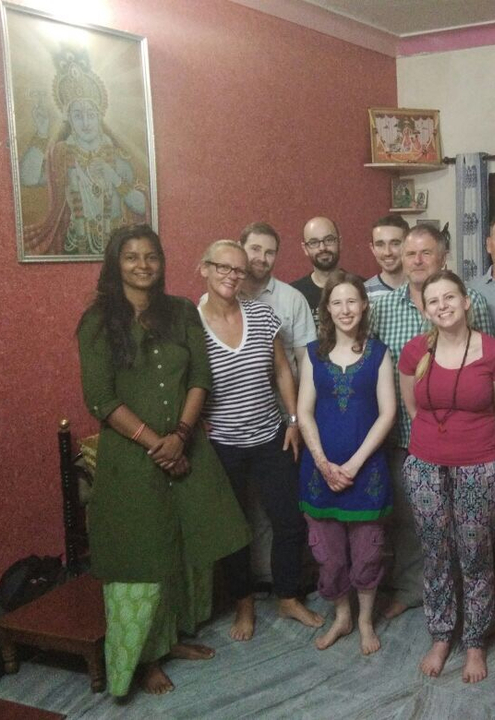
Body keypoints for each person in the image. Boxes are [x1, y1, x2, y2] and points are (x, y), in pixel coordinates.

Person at [76, 224, 249, 696]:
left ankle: (170, 640)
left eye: (150, 256)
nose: (142, 265)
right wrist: (158, 442)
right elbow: (101, 399)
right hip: (132, 462)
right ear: (116, 263)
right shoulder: (97, 321)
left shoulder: (180, 311)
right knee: (142, 556)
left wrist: (182, 435)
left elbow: (200, 376)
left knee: (183, 547)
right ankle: (143, 657)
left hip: (186, 448)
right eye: (131, 257)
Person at [198, 240, 323, 642]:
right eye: (223, 268)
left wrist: (291, 420)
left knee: (288, 519)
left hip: (270, 434)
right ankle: (244, 602)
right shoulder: (191, 322)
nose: (231, 276)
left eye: (238, 270)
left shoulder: (262, 313)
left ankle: (287, 595)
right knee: (234, 529)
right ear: (205, 268)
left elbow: (283, 371)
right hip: (222, 444)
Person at [370, 223, 494, 620]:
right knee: (414, 526)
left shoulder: (470, 300)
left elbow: (490, 377)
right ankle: (414, 590)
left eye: (426, 253)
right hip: (405, 437)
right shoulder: (383, 307)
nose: (417, 261)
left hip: (468, 446)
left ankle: (468, 599)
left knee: (469, 529)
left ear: (443, 258)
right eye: (410, 254)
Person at [399, 270, 495, 682]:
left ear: (467, 302)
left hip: (479, 464)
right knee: (436, 553)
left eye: (451, 297)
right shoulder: (415, 351)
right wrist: (436, 441)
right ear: (424, 309)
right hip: (425, 464)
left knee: (476, 554)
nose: (443, 305)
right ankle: (442, 633)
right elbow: (412, 406)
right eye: (434, 301)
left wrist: (467, 438)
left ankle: (476, 641)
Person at [296, 272, 396, 655]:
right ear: (326, 310)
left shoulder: (378, 353)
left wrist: (353, 465)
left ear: (364, 305)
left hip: (366, 472)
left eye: (352, 301)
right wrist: (322, 463)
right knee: (329, 554)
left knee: (369, 550)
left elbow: (387, 414)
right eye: (336, 302)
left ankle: (366, 619)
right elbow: (304, 413)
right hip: (319, 473)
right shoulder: (312, 354)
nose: (345, 309)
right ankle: (342, 616)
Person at [22, 53, 148, 256]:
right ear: (68, 118)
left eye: (91, 115)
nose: (86, 122)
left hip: (118, 249)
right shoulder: (62, 157)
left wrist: (113, 178)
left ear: (100, 117)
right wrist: (42, 133)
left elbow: (141, 207)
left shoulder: (117, 159)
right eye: (78, 115)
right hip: (74, 244)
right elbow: (28, 179)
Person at [238, 221, 316, 374]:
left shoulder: (293, 299)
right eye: (255, 249)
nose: (262, 258)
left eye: (269, 252)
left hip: (284, 397)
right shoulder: (224, 298)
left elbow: (305, 361)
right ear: (239, 247)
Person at [292, 216, 343, 327]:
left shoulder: (360, 287)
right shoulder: (294, 294)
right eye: (314, 242)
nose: (322, 247)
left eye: (329, 240)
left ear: (340, 242)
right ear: (305, 248)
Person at [364, 214, 409, 301]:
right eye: (380, 245)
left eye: (395, 244)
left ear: (408, 245)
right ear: (372, 248)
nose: (387, 252)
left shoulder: (423, 288)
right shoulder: (364, 293)